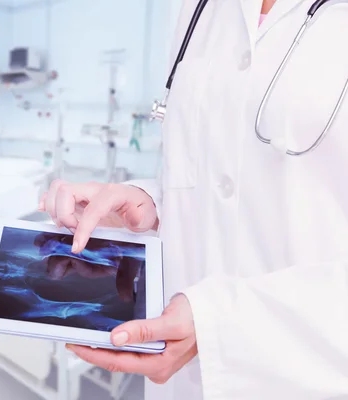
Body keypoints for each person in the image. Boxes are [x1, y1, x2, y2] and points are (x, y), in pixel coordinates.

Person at [38, 0, 348, 398]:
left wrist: (220, 322)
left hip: (309, 376)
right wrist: (149, 203)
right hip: (181, 382)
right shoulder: (197, 9)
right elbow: (206, 177)